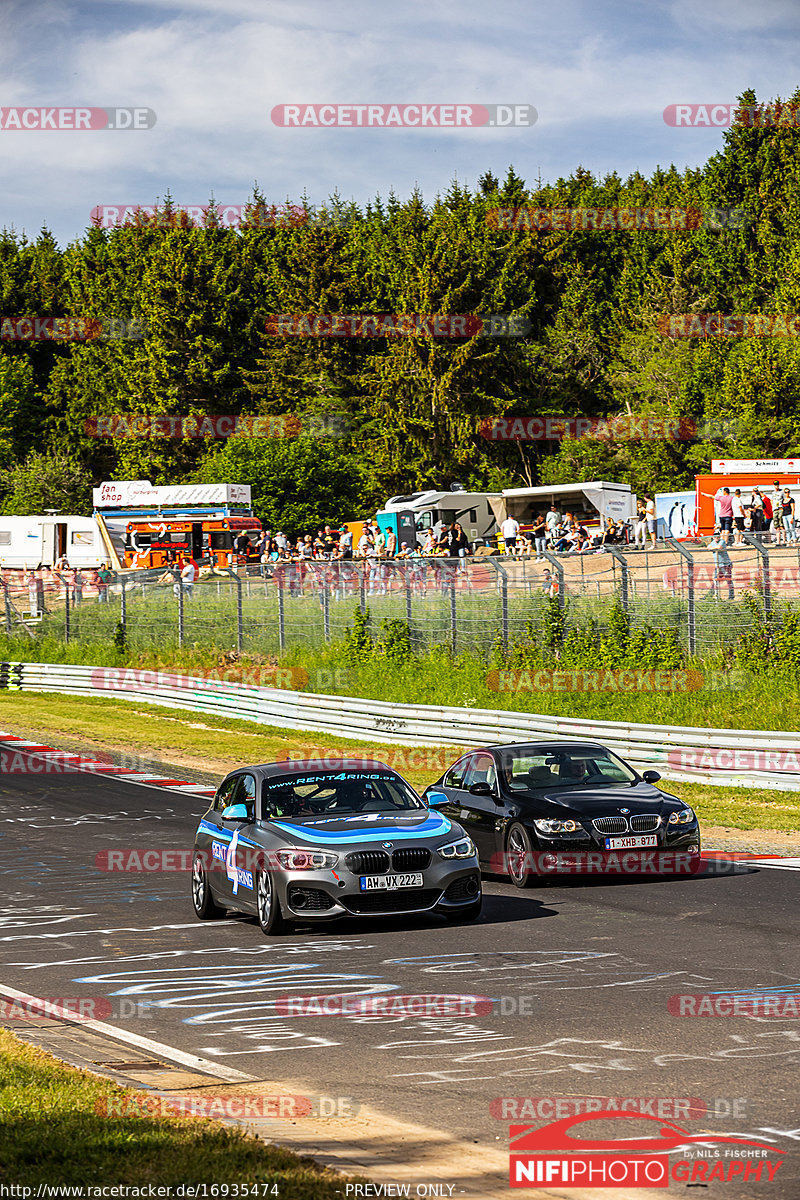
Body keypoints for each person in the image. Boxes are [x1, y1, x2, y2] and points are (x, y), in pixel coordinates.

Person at [708, 529, 734, 599]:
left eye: (718, 536)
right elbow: (708, 547)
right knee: (716, 580)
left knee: (728, 580)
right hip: (718, 565)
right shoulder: (713, 542)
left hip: (726, 564)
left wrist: (714, 548)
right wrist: (714, 548)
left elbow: (719, 547)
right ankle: (710, 595)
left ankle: (731, 596)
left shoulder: (722, 541)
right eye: (715, 536)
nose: (716, 538)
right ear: (713, 537)